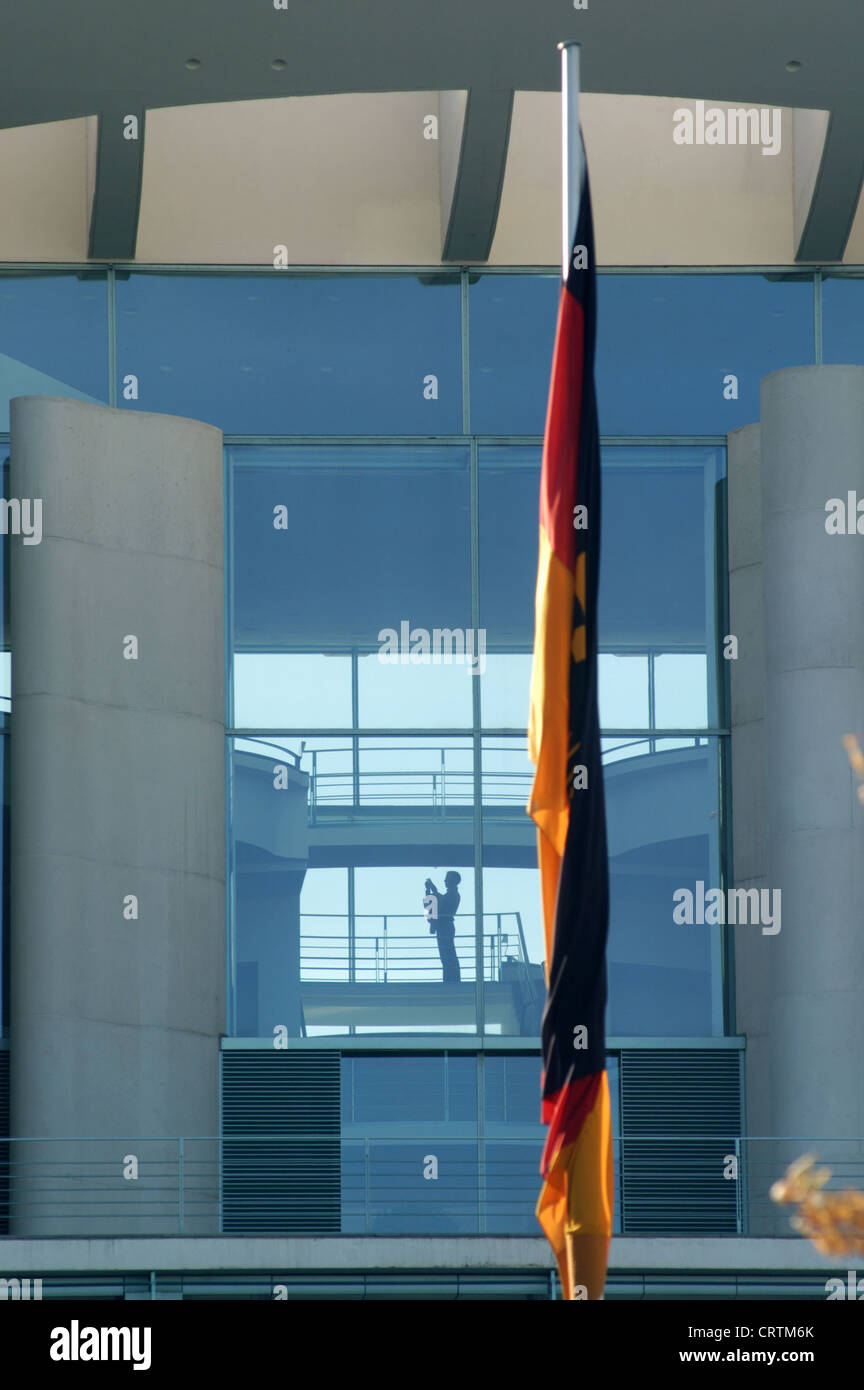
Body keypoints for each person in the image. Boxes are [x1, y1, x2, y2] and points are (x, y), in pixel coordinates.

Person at [424, 871, 461, 983]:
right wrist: (429, 892)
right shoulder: (450, 894)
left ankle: (452, 979)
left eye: (447, 879)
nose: (445, 881)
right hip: (442, 926)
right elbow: (437, 902)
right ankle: (449, 978)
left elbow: (443, 903)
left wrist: (434, 890)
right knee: (445, 955)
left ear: (453, 881)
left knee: (448, 954)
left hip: (446, 926)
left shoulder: (454, 894)